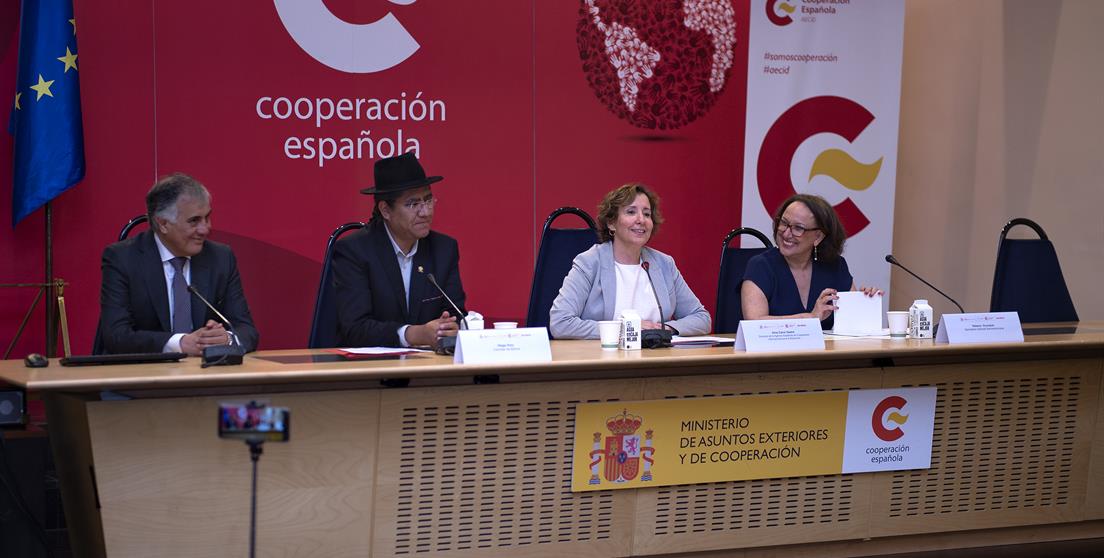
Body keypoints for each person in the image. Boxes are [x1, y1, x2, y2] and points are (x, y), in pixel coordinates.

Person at [99, 173, 260, 355]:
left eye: (207, 217)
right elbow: (116, 336)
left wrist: (226, 339)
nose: (205, 229)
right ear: (163, 224)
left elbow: (247, 331)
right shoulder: (123, 258)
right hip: (143, 369)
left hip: (204, 370)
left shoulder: (220, 257)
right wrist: (180, 343)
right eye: (194, 221)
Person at [332, 152, 465, 347]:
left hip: (429, 363)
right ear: (385, 210)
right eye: (413, 204)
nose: (425, 212)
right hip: (369, 364)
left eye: (428, 200)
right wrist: (412, 334)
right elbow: (355, 329)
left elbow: (456, 315)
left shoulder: (444, 250)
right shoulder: (354, 251)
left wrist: (450, 329)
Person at [549, 183, 711, 339]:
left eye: (647, 214)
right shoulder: (589, 263)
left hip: (657, 354)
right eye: (631, 212)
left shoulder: (664, 264)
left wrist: (664, 330)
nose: (641, 220)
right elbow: (560, 323)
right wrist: (627, 329)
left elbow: (701, 318)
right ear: (611, 223)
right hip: (605, 355)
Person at [740, 193, 880, 330]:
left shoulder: (835, 266)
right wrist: (811, 318)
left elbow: (853, 322)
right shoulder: (760, 266)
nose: (786, 233)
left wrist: (864, 302)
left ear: (818, 237)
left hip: (828, 346)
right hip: (775, 346)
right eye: (784, 223)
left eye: (798, 228)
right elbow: (754, 324)